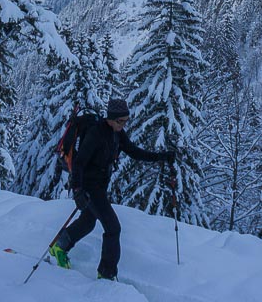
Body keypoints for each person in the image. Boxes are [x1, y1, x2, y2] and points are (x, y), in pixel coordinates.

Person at [49, 97, 176, 280]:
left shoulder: (117, 133)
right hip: (89, 187)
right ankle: (106, 273)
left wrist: (162, 157)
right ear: (110, 118)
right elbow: (79, 163)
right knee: (113, 228)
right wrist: (77, 190)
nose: (123, 124)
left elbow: (134, 152)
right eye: (120, 121)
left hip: (99, 186)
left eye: (126, 120)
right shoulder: (96, 133)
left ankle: (60, 246)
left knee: (88, 221)